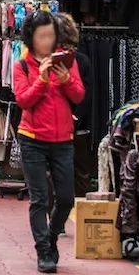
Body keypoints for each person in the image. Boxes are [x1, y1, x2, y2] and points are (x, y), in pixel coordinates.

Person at [13, 10, 85, 273]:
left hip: (63, 139)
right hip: (32, 138)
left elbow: (78, 95)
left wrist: (65, 79)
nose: (47, 41)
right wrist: (42, 80)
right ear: (31, 38)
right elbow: (24, 101)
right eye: (42, 36)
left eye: (51, 36)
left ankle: (52, 235)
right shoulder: (22, 65)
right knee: (39, 199)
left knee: (66, 198)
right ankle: (44, 251)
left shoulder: (66, 61)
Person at [55, 12, 95, 199]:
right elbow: (87, 94)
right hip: (77, 124)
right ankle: (82, 214)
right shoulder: (82, 60)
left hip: (54, 123)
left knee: (54, 172)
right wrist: (77, 117)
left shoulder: (45, 60)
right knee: (80, 172)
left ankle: (58, 218)